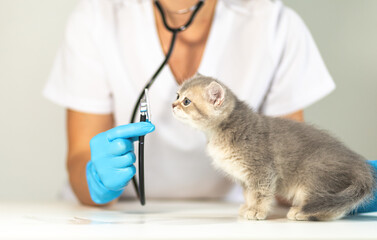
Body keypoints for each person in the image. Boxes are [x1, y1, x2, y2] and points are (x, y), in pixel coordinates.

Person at [43, 0, 377, 212]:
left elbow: (288, 167)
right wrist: (95, 181)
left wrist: (345, 184)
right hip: (118, 218)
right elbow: (79, 160)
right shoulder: (96, 17)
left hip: (231, 222)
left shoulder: (275, 22)